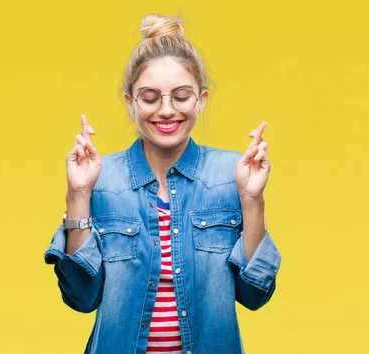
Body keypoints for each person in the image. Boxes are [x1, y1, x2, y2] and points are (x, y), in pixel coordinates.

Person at [44, 14, 281, 354]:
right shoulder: (100, 177)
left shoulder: (232, 173)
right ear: (130, 102)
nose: (166, 111)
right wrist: (78, 195)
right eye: (151, 97)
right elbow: (81, 296)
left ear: (201, 99)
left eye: (181, 96)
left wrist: (252, 200)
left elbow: (254, 294)